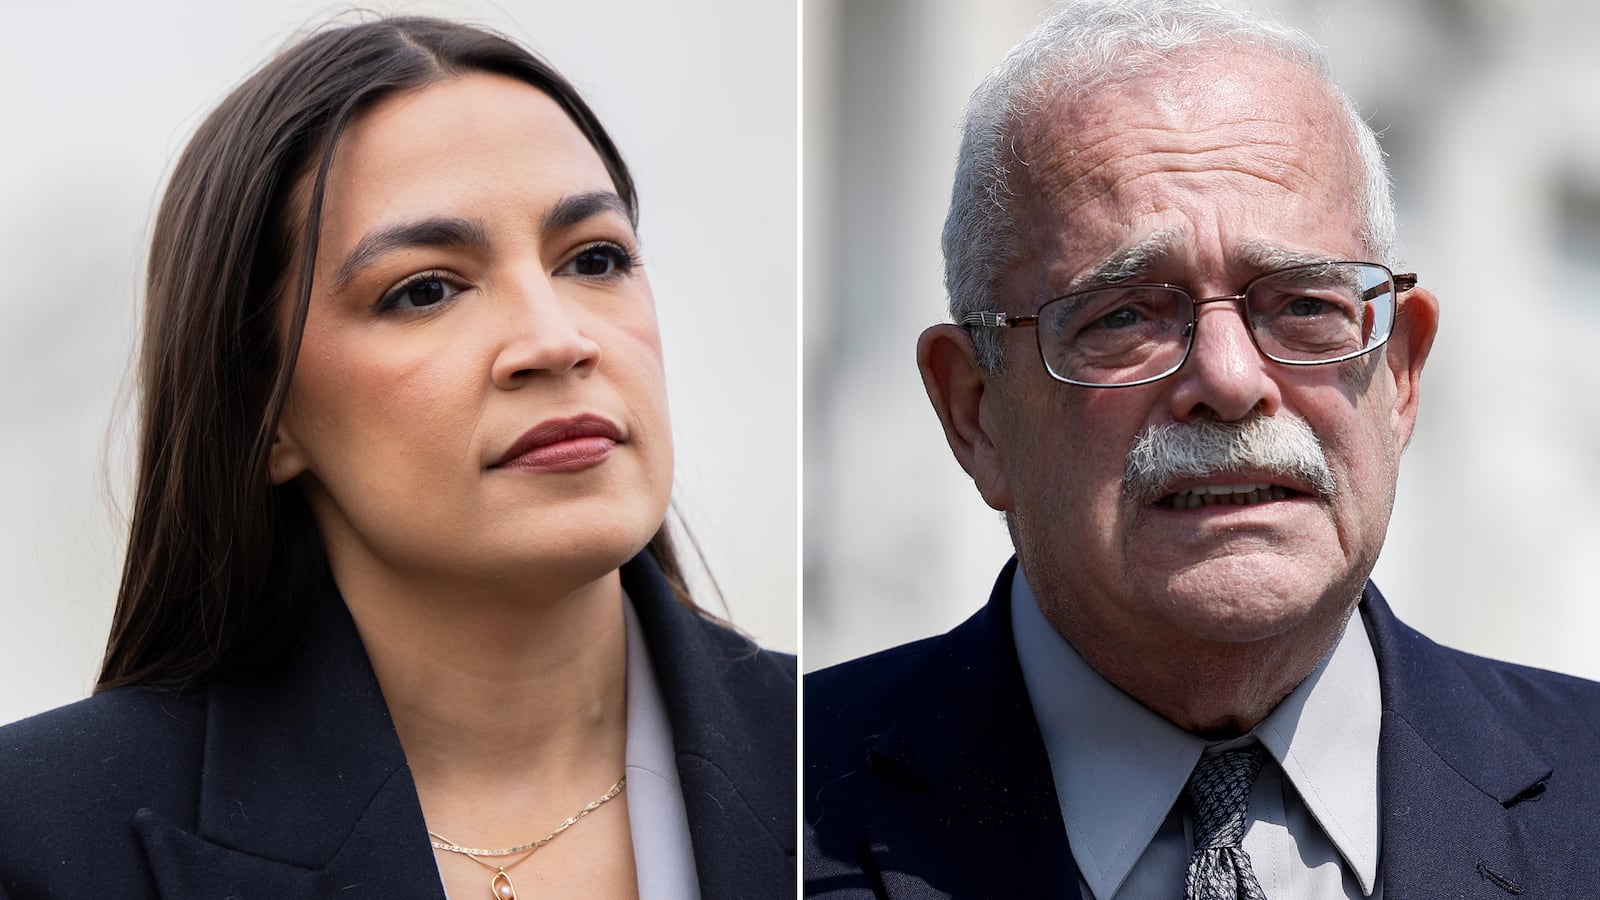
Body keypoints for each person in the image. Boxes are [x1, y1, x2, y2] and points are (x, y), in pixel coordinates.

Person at [804, 1, 1600, 897]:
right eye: (1124, 316)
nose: (1228, 378)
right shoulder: (775, 812)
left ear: (1401, 375)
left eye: (1304, 305)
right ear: (975, 410)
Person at [0, 17, 793, 900]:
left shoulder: (841, 764)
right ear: (265, 413)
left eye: (595, 259)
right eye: (425, 290)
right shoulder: (39, 841)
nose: (556, 340)